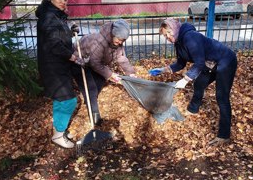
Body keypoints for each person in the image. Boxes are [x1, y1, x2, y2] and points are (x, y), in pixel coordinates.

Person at [149, 18, 237, 146]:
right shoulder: (178, 42)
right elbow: (180, 63)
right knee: (199, 83)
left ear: (174, 29)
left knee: (221, 97)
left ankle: (224, 135)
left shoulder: (190, 37)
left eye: (168, 32)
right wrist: (163, 70)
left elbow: (199, 63)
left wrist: (185, 80)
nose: (167, 37)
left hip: (225, 60)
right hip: (211, 62)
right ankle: (192, 110)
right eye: (165, 35)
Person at [35, 0, 85, 149]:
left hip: (58, 64)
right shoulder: (48, 17)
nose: (64, 1)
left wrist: (71, 31)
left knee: (61, 99)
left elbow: (59, 35)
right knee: (68, 100)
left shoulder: (55, 15)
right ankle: (57, 136)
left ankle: (60, 131)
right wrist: (72, 57)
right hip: (53, 66)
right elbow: (54, 44)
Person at [72, 19, 136, 126]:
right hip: (78, 61)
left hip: (90, 63)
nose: (120, 42)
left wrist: (130, 73)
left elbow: (121, 58)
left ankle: (90, 101)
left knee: (100, 80)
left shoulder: (116, 44)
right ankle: (96, 118)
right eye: (119, 39)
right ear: (113, 34)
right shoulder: (99, 41)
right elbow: (95, 63)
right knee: (91, 89)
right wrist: (111, 74)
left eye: (123, 40)